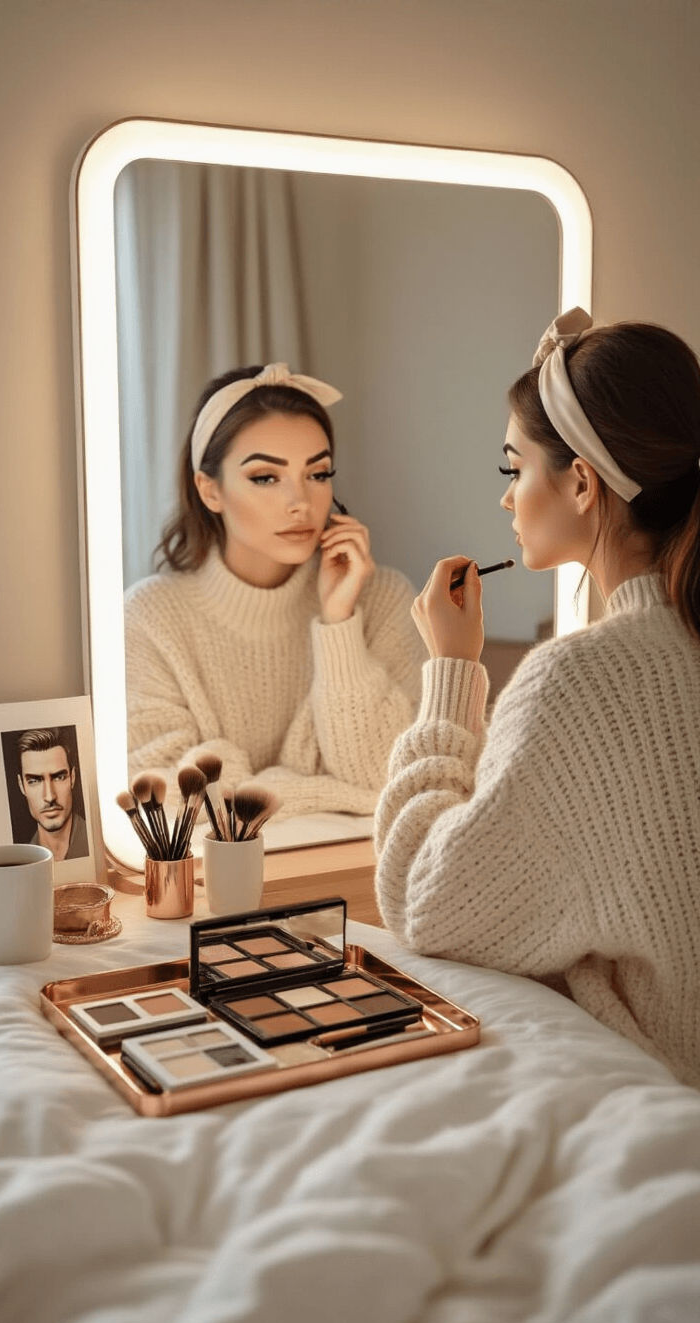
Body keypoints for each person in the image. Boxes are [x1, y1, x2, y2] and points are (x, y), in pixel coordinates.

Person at [374, 308, 700, 1088]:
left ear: (582, 483)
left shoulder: (582, 684)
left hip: (660, 1109)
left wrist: (452, 674)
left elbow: (424, 899)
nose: (506, 499)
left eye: (511, 469)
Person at [124, 363, 426, 817]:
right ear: (210, 491)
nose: (301, 502)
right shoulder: (149, 619)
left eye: (318, 474)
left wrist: (339, 622)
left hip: (356, 878)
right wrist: (314, 786)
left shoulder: (382, 598)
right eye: (266, 477)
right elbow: (163, 802)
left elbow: (391, 776)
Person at [16, 728, 89, 861]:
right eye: (34, 781)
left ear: (72, 777)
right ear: (21, 785)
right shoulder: (22, 860)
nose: (49, 797)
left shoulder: (100, 846)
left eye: (58, 777)